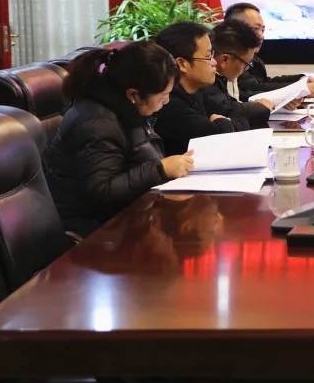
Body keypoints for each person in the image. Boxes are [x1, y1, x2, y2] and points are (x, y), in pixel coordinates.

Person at [45, 42, 195, 238]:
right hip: (95, 232)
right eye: (163, 95)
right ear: (133, 94)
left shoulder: (122, 107)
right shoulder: (98, 124)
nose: (166, 101)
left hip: (127, 216)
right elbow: (102, 191)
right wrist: (160, 169)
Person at [154, 21, 252, 156]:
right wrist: (222, 122)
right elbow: (217, 138)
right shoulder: (169, 104)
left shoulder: (197, 91)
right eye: (207, 57)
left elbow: (240, 117)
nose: (214, 62)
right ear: (182, 64)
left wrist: (220, 123)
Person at [223, 2, 314, 100]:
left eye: (262, 30)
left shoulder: (255, 60)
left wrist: (299, 80)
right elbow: (250, 89)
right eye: (255, 29)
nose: (261, 36)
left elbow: (263, 83)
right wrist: (300, 89)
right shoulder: (229, 59)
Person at [211, 19, 276, 127]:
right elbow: (227, 110)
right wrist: (261, 107)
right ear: (224, 60)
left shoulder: (225, 76)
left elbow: (238, 100)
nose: (246, 69)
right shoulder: (205, 81)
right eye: (246, 64)